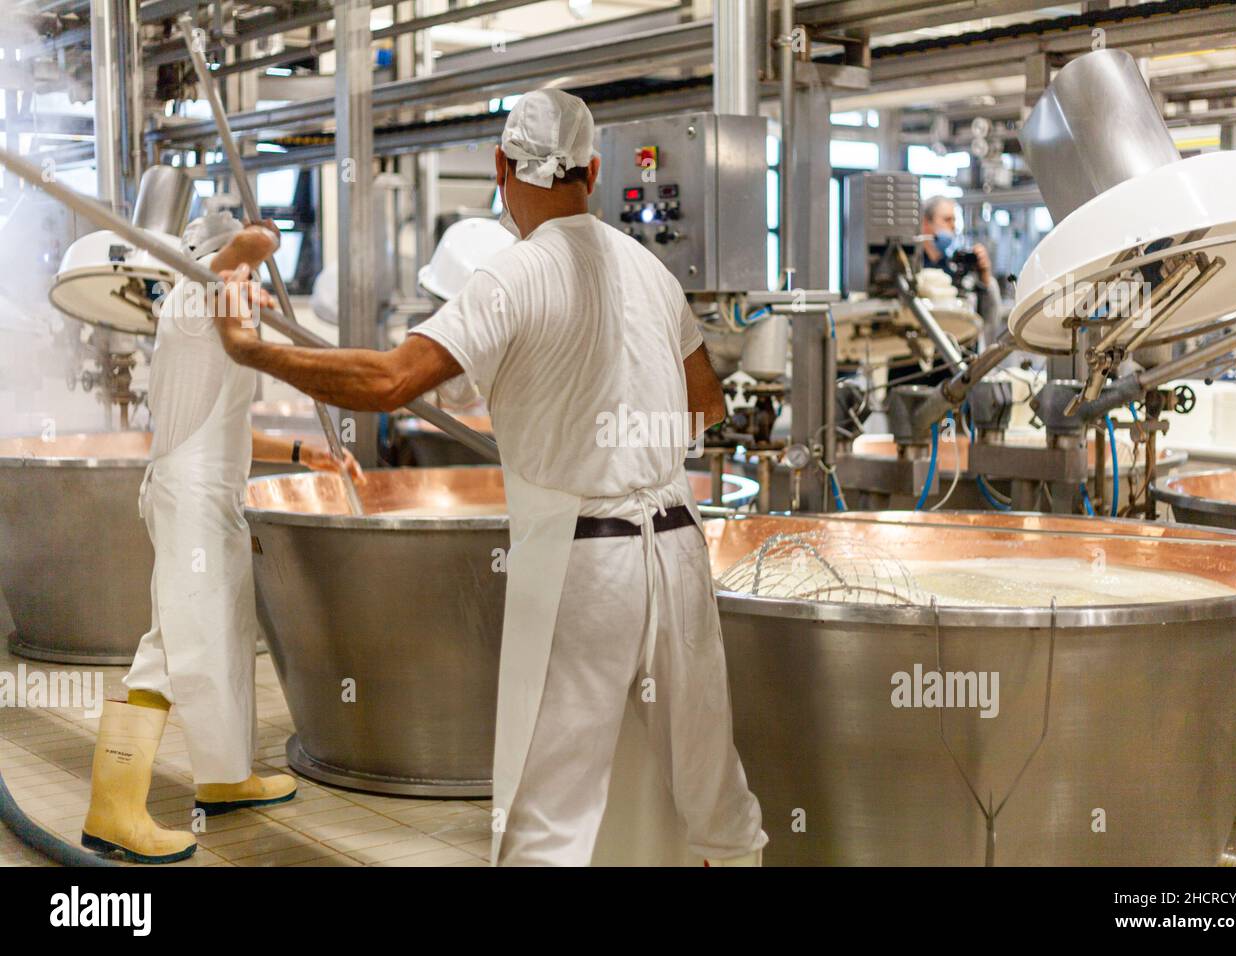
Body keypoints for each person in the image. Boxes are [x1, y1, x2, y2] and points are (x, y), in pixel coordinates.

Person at [210, 89, 767, 867]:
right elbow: (703, 405)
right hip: (676, 551)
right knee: (713, 790)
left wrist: (254, 349)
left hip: (585, 560)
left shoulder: (512, 277)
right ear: (595, 171)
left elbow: (388, 383)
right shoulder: (652, 271)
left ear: (502, 167)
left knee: (550, 809)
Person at [81, 219, 365, 864]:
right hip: (192, 503)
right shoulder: (194, 298)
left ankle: (225, 776)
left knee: (225, 639)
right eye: (234, 268)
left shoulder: (216, 309)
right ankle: (113, 811)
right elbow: (260, 240)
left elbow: (226, 425)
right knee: (174, 645)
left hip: (213, 496)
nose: (252, 278)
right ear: (209, 262)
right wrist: (241, 259)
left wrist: (302, 452)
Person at [920, 194, 1003, 336]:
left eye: (954, 220)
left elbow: (990, 322)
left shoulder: (957, 267)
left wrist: (985, 278)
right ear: (926, 224)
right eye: (947, 220)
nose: (953, 226)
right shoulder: (912, 266)